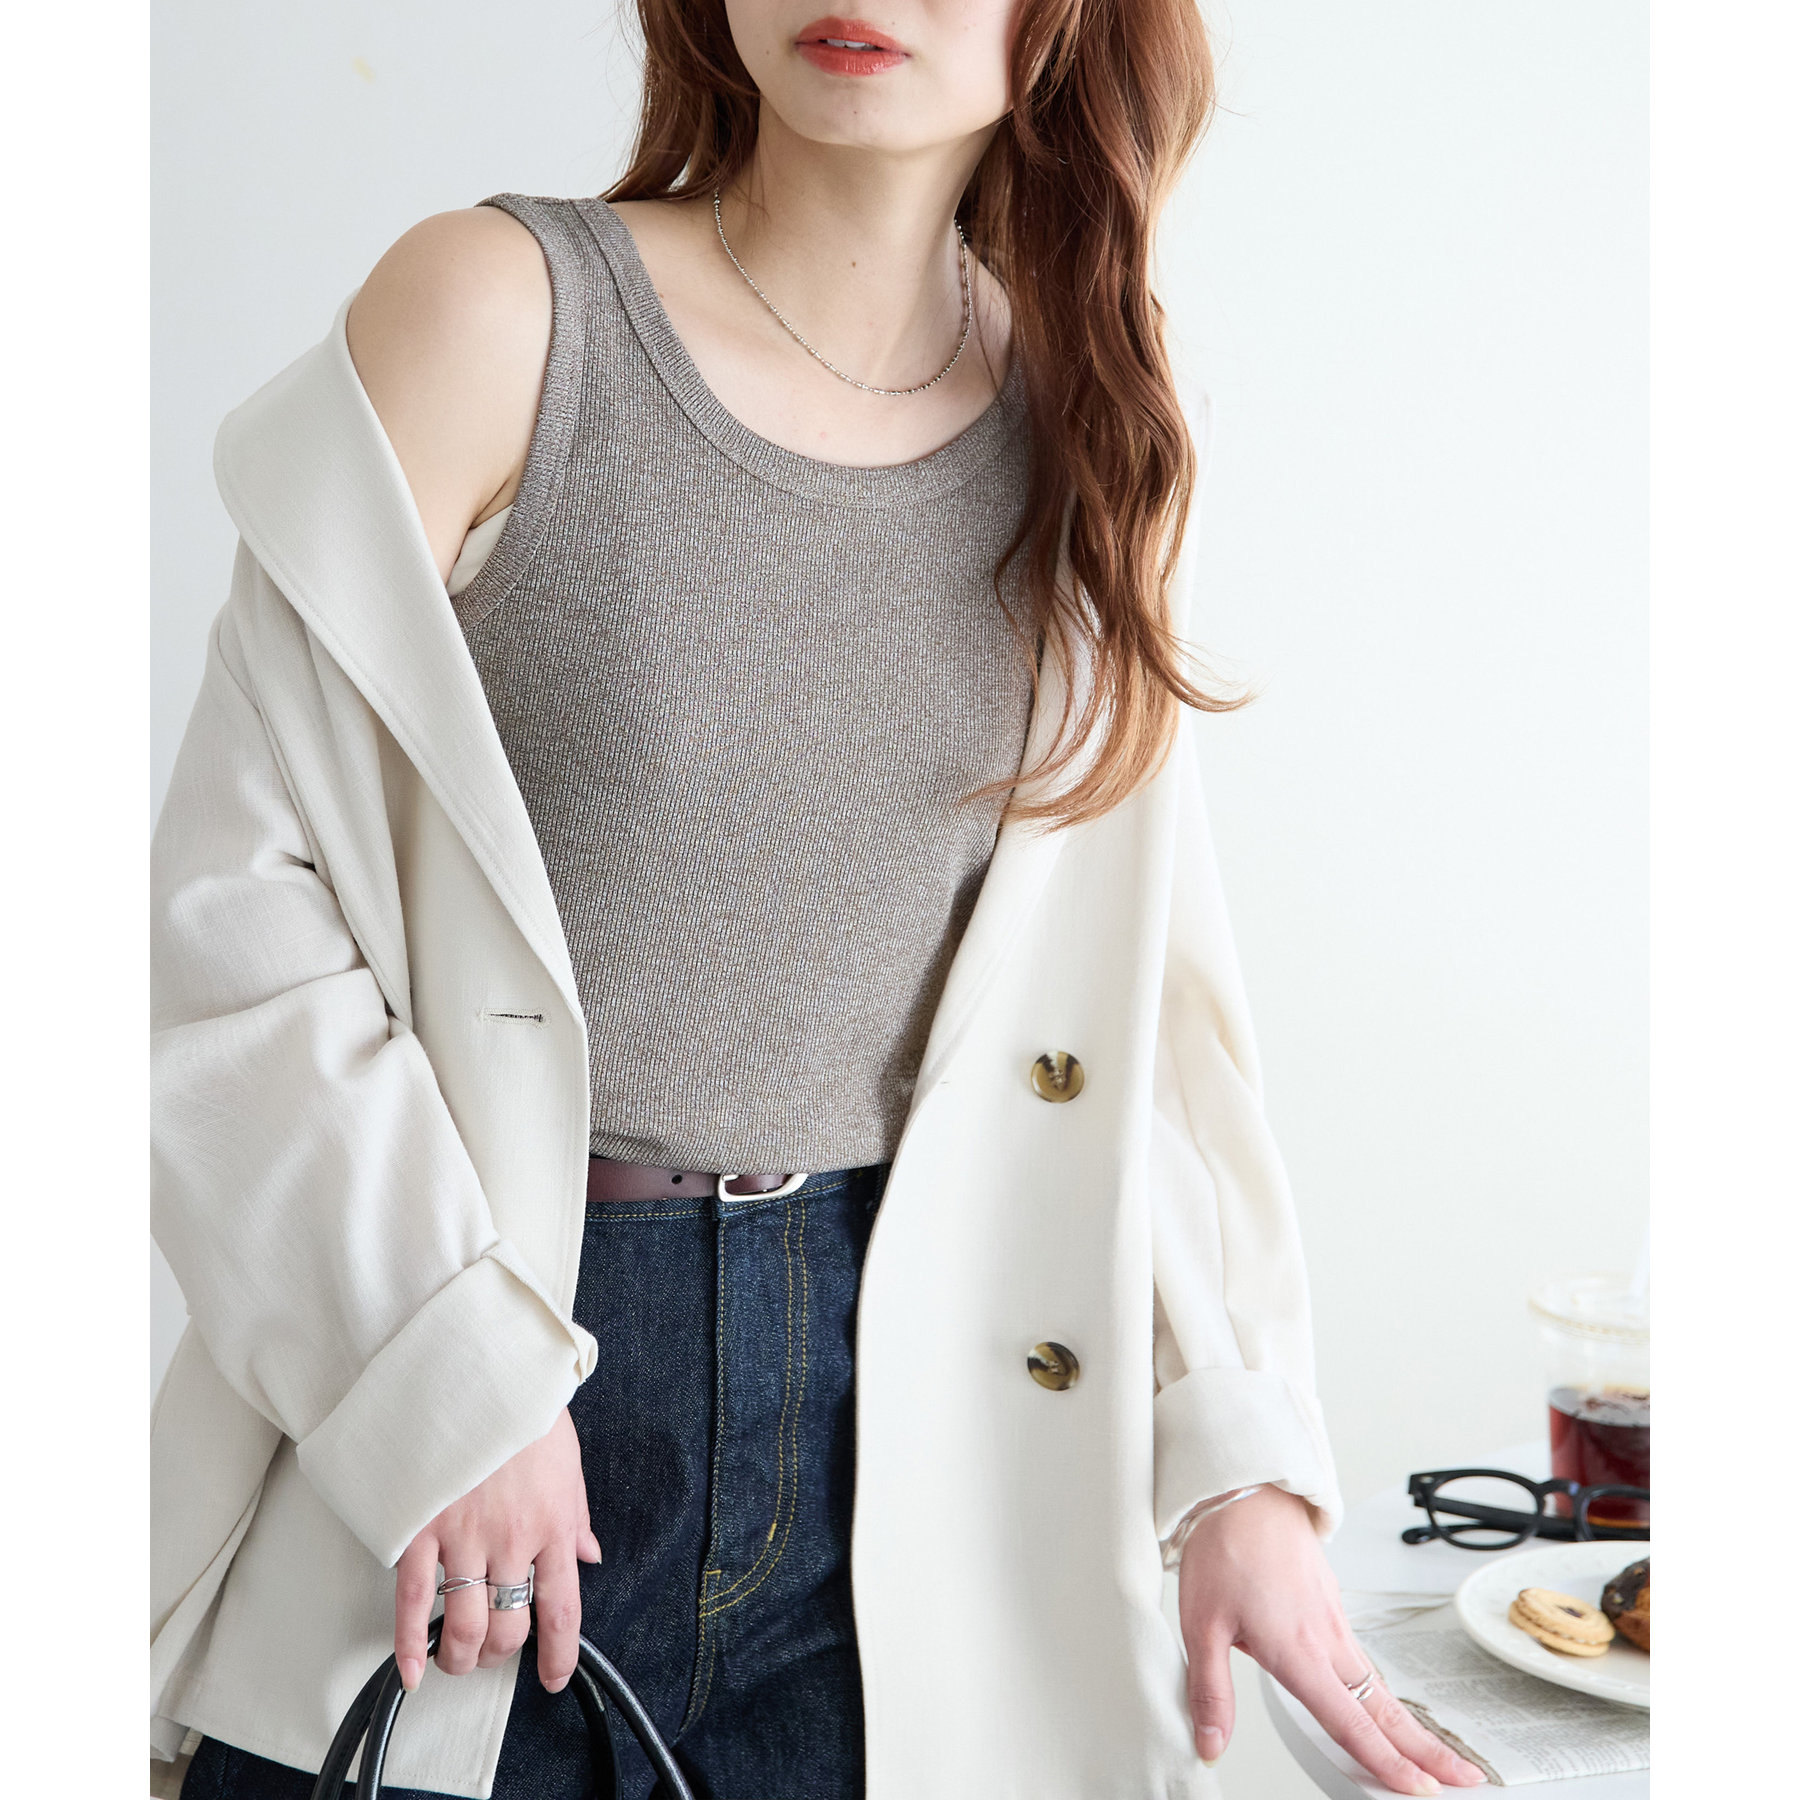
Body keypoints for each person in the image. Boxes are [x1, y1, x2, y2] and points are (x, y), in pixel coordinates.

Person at [150, 4, 1489, 1797]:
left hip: (909, 1457)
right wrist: (447, 1378)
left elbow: (1124, 1015)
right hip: (481, 1415)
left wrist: (1233, 1458)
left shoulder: (1088, 409)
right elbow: (229, 916)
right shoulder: (499, 316)